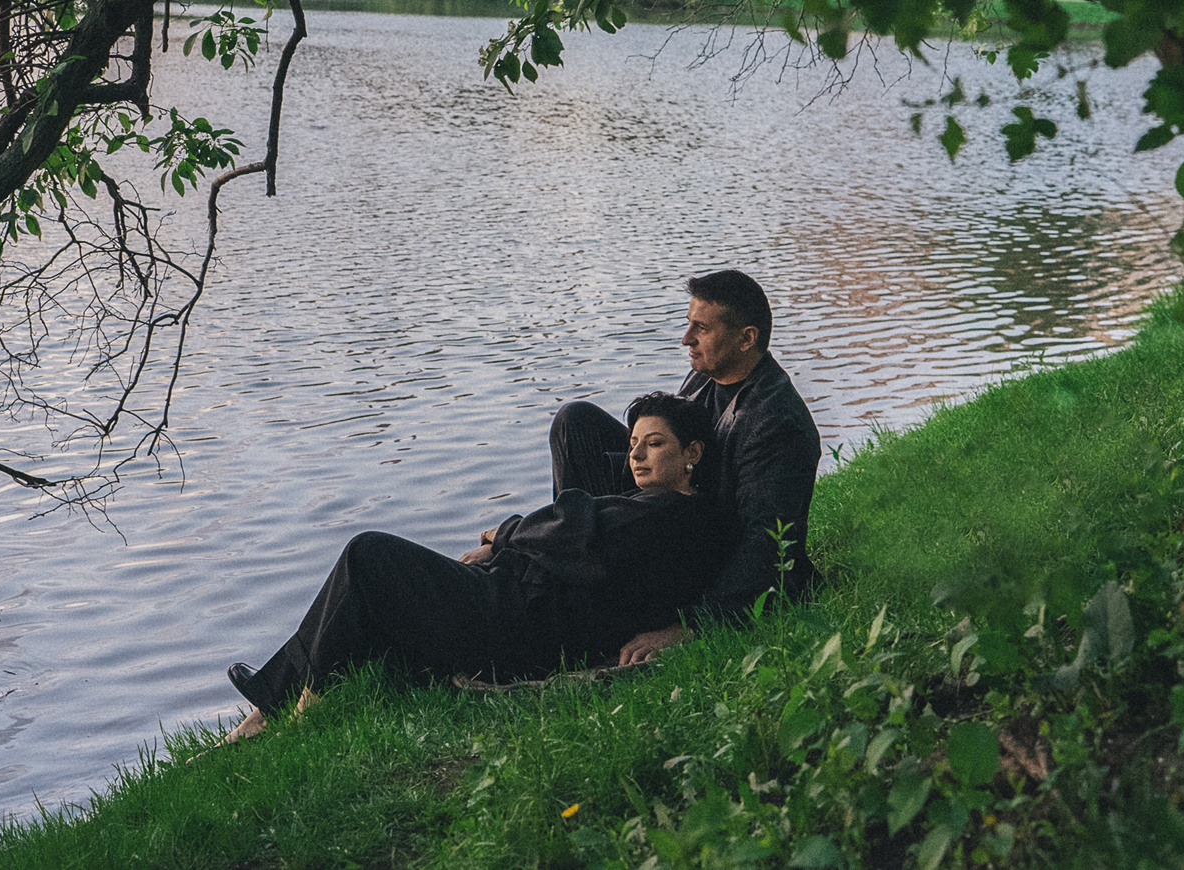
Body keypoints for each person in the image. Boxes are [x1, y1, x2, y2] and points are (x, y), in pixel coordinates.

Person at [221, 394, 726, 741]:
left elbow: (576, 525)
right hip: (521, 603)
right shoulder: (664, 510)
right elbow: (579, 529)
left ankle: (274, 706)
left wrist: (499, 535)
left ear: (693, 454)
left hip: (515, 625)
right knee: (380, 589)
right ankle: (298, 692)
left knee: (369, 554)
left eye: (653, 444)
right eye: (633, 444)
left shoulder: (665, 517)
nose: (635, 455)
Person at [550, 268, 821, 665]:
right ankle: (563, 556)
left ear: (747, 338)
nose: (686, 340)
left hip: (704, 546)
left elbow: (767, 540)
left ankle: (575, 584)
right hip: (678, 508)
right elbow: (664, 456)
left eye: (702, 329)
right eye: (688, 325)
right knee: (577, 423)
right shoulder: (705, 376)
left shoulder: (778, 423)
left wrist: (691, 625)